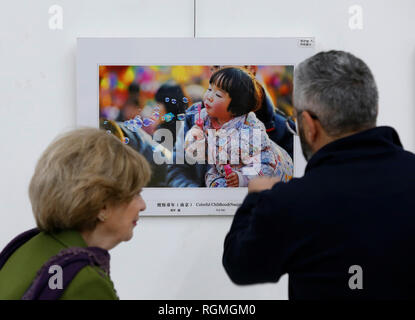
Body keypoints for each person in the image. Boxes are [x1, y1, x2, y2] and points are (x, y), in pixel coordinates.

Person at [222, 51, 415, 299]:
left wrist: (255, 198)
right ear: (374, 109)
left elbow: (239, 265)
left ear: (309, 126)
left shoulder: (290, 202)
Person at [0, 128, 151, 299]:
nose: (142, 205)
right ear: (103, 206)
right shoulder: (84, 280)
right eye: (136, 193)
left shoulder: (26, 245)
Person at [166, 65, 295, 188]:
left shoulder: (251, 129)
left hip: (263, 178)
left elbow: (266, 165)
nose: (209, 97)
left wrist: (241, 178)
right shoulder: (201, 117)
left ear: (235, 109)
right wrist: (195, 138)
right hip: (222, 171)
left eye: (218, 95)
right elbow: (186, 160)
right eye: (210, 89)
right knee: (213, 180)